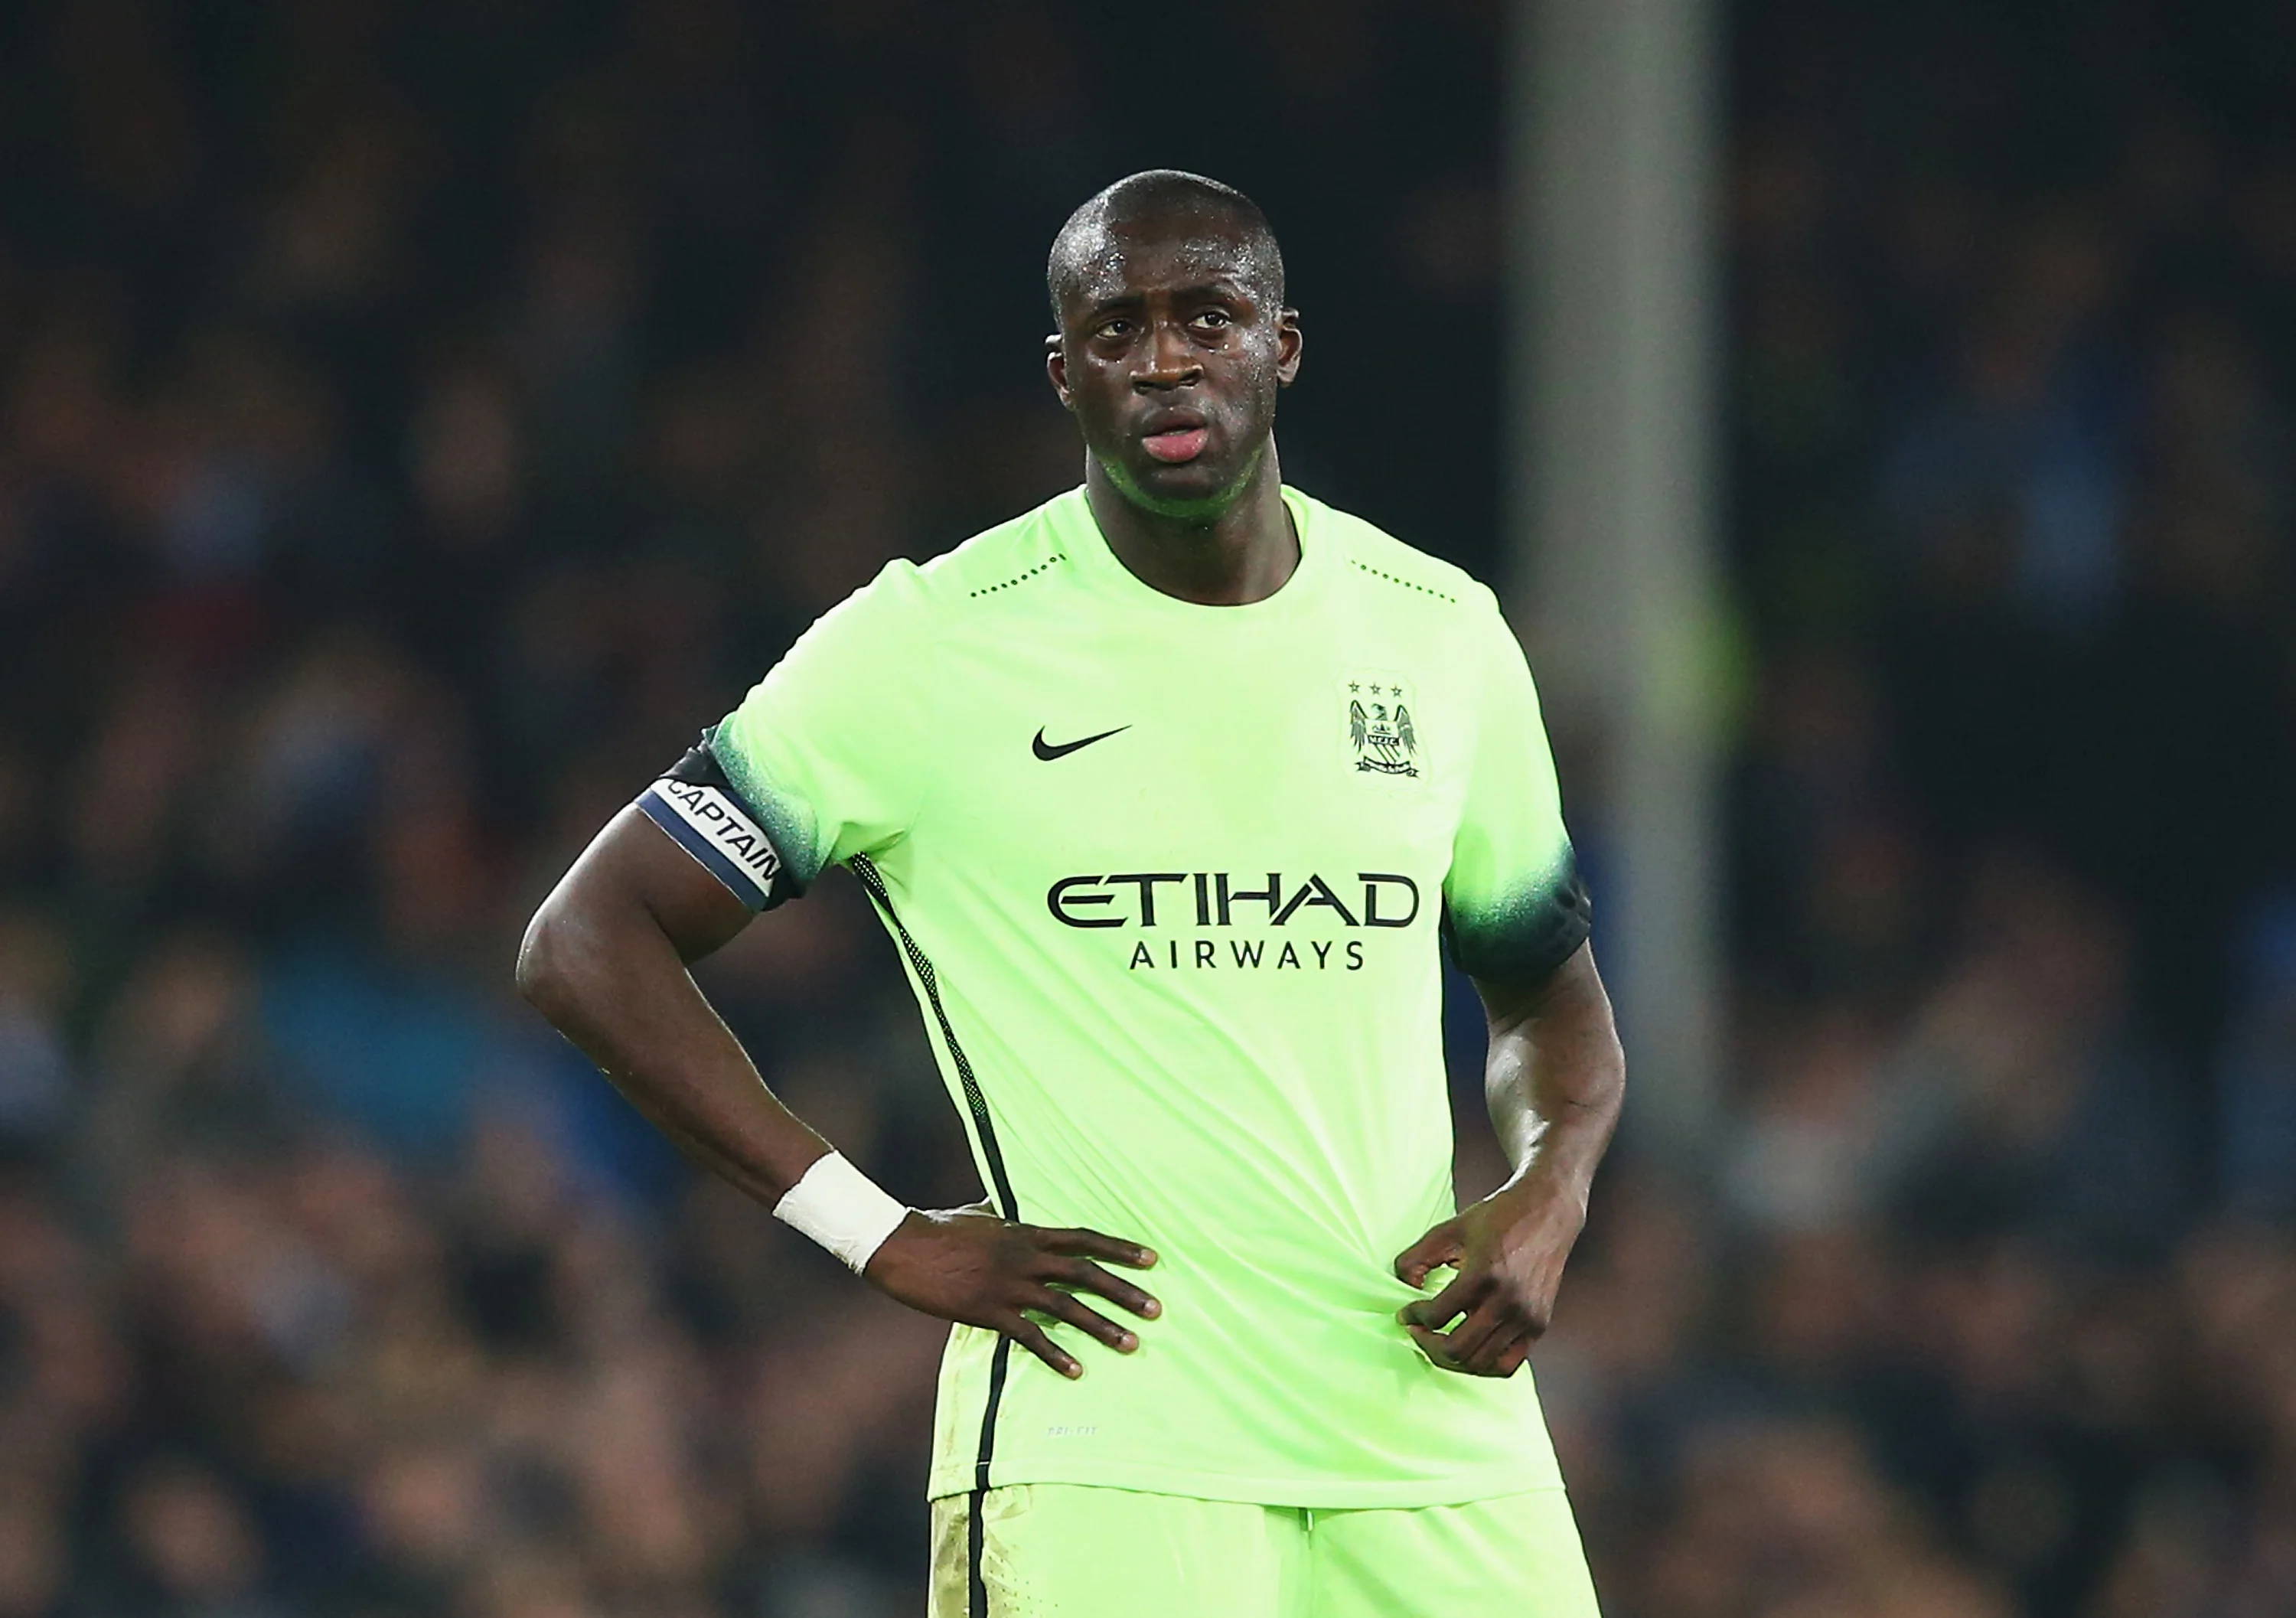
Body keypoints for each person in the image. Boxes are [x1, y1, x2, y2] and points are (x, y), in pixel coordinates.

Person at [518, 169, 1623, 1617]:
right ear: (1064, 373)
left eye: (1208, 318)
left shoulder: (1441, 633)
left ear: (1283, 346)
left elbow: (1547, 999)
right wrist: (873, 1228)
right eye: (1117, 329)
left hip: (1434, 1428)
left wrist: (1549, 1191)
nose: (1164, 359)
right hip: (1109, 1445)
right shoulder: (931, 644)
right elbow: (586, 940)